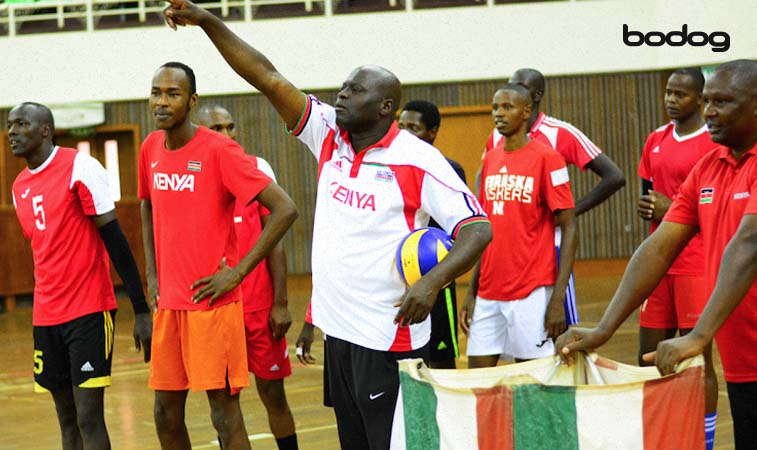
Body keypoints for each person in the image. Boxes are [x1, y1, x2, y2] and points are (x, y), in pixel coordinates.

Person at [162, 5, 493, 449]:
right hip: (339, 333)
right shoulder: (329, 136)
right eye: (342, 87)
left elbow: (478, 228)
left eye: (354, 91)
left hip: (387, 336)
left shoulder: (418, 160)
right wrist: (207, 21)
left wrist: (432, 283)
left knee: (390, 443)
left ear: (384, 107)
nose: (341, 95)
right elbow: (267, 77)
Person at [557, 59, 757, 450]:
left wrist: (698, 335)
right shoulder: (710, 166)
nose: (709, 112)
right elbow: (658, 246)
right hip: (744, 360)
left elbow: (749, 243)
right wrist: (605, 328)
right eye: (708, 102)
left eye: (723, 102)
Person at [139, 62, 298, 450]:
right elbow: (147, 205)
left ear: (191, 101)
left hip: (213, 304)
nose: (162, 101)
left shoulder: (220, 150)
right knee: (165, 413)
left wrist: (238, 273)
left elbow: (285, 209)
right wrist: (153, 275)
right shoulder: (150, 147)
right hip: (171, 306)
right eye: (156, 92)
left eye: (172, 94)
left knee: (224, 415)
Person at [8, 102, 152, 450]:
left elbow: (116, 241)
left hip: (88, 311)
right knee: (67, 420)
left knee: (89, 418)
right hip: (46, 316)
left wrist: (141, 309)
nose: (12, 131)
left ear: (45, 130)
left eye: (21, 124)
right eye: (10, 125)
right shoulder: (19, 187)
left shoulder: (80, 167)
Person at [484, 68, 625, 326]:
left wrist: (570, 211)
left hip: (551, 248)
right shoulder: (496, 136)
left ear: (536, 95)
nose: (511, 90)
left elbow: (614, 176)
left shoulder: (560, 132)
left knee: (556, 326)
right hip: (509, 252)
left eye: (518, 86)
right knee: (520, 335)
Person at [195, 104, 299, 450]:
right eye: (217, 128)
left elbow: (275, 243)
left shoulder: (256, 169)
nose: (227, 134)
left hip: (259, 307)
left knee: (274, 394)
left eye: (230, 126)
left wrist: (280, 303)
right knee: (225, 404)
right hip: (217, 310)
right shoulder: (193, 175)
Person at [460, 84, 577, 367]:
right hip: (489, 289)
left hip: (531, 290)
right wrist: (472, 291)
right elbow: (485, 230)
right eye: (495, 107)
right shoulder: (490, 159)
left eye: (507, 107)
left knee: (532, 382)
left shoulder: (548, 158)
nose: (499, 114)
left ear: (526, 112)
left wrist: (557, 298)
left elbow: (570, 227)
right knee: (480, 382)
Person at [636, 68, 719, 449]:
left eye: (680, 95)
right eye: (668, 93)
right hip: (659, 265)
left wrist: (670, 210)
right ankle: (654, 435)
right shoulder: (655, 139)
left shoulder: (712, 144)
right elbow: (649, 195)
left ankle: (705, 440)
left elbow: (719, 211)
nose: (671, 100)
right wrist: (650, 209)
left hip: (696, 264)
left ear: (700, 100)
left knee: (695, 359)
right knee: (646, 357)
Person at [397, 100, 467, 369]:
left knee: (441, 361)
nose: (404, 133)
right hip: (399, 276)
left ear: (433, 131)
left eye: (413, 127)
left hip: (434, 276)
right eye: (401, 126)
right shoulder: (388, 167)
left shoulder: (448, 169)